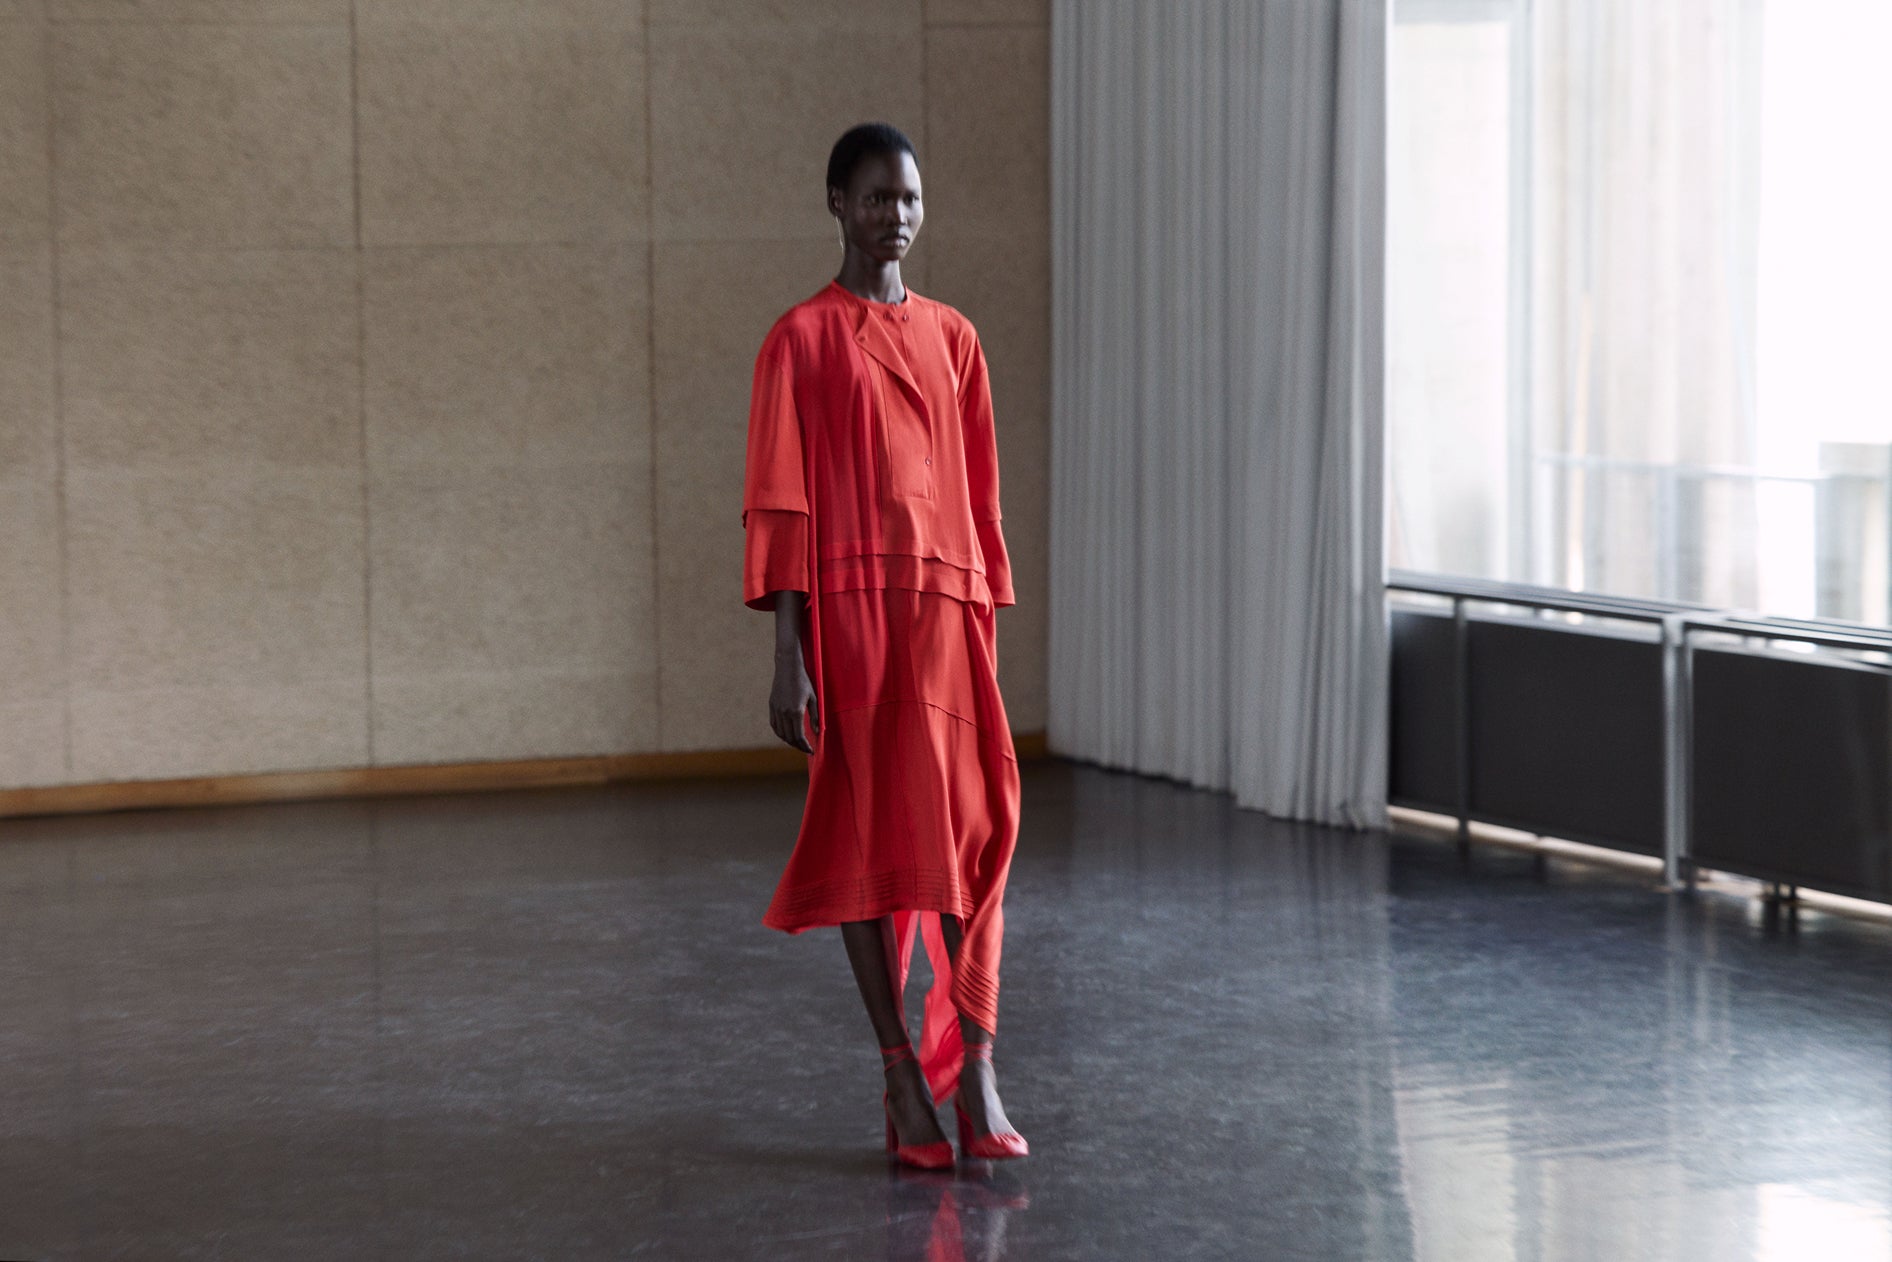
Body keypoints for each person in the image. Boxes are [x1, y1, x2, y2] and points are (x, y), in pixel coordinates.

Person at [741, 122, 1028, 1168]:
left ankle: (979, 1059)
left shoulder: (954, 337)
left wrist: (982, 617)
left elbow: (978, 491)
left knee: (968, 835)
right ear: (835, 205)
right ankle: (901, 1065)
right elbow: (779, 500)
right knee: (868, 847)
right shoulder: (799, 340)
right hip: (850, 614)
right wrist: (789, 652)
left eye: (906, 198)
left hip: (944, 617)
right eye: (873, 198)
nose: (893, 215)